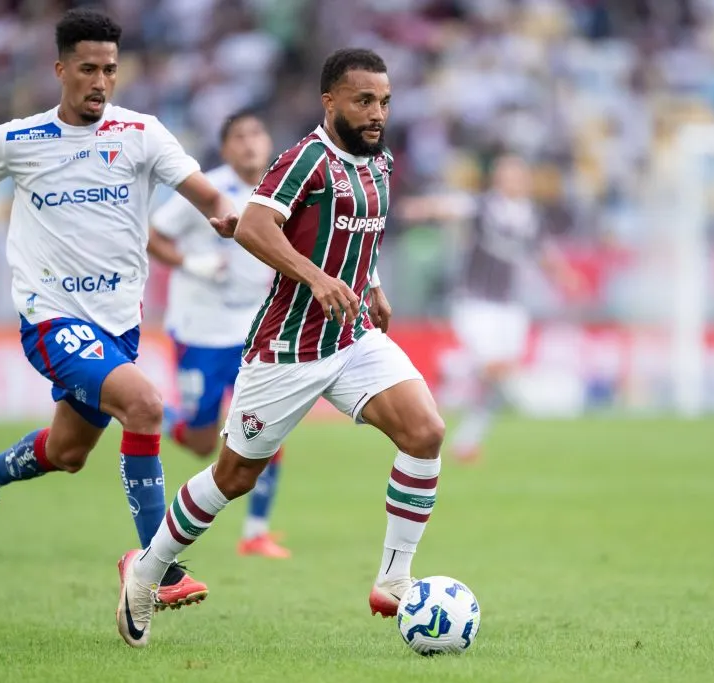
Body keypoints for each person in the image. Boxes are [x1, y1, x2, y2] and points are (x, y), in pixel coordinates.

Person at [115, 47, 446, 648]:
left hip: (351, 337)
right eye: (364, 101)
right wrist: (317, 280)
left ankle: (394, 579)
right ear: (331, 101)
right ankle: (145, 570)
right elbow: (253, 226)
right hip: (287, 349)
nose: (377, 114)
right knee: (233, 477)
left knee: (425, 432)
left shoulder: (381, 162)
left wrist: (369, 284)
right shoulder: (305, 159)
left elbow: (353, 233)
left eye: (385, 102)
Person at [0, 8, 238, 610]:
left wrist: (227, 215)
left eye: (110, 70)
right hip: (50, 318)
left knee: (67, 453)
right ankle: (159, 566)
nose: (100, 81)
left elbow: (204, 191)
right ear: (60, 70)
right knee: (146, 405)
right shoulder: (18, 139)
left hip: (116, 324)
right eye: (88, 69)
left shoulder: (141, 133)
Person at [148, 109, 289, 559]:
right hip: (201, 329)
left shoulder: (281, 188)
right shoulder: (207, 190)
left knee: (267, 428)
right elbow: (151, 234)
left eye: (256, 134)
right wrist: (190, 264)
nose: (250, 144)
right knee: (203, 443)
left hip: (255, 329)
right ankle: (157, 415)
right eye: (239, 137)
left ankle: (256, 531)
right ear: (226, 149)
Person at [449, 154, 579, 463]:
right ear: (498, 179)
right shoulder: (483, 206)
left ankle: (468, 441)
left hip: (510, 307)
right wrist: (418, 208)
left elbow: (542, 252)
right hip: (477, 302)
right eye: (509, 175)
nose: (516, 180)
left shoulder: (530, 215)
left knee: (498, 378)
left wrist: (565, 277)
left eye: (520, 175)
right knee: (494, 368)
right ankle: (455, 376)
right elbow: (450, 206)